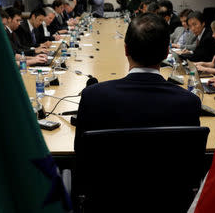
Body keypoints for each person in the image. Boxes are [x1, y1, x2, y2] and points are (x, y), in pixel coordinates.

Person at [74, 13, 201, 152]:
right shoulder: (190, 102)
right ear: (166, 53)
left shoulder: (93, 97)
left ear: (126, 49)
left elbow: (80, 153)